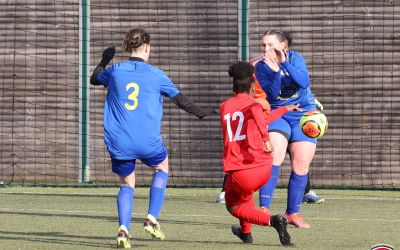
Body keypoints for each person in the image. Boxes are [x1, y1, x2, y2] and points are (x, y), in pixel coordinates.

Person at [90, 28, 213, 248]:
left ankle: (123, 230)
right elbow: (182, 101)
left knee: (127, 184)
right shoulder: (158, 75)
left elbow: (94, 79)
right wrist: (202, 112)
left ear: (128, 47)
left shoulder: (115, 71)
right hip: (148, 141)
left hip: (120, 141)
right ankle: (151, 218)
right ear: (147, 47)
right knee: (162, 168)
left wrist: (106, 57)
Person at [220, 61, 302, 246]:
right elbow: (261, 118)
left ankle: (273, 221)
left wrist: (266, 140)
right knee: (245, 196)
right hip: (263, 167)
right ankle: (246, 234)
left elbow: (256, 116)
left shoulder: (225, 106)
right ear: (252, 86)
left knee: (233, 206)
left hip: (242, 168)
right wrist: (283, 109)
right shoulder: (254, 105)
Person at [254, 30, 319, 229]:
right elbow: (272, 96)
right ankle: (264, 209)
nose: (266, 49)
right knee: (275, 156)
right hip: (278, 113)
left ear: (283, 46)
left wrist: (284, 64)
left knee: (301, 164)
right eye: (264, 45)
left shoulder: (296, 58)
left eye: (270, 45)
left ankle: (292, 213)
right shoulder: (261, 67)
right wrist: (274, 71)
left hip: (303, 114)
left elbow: (304, 82)